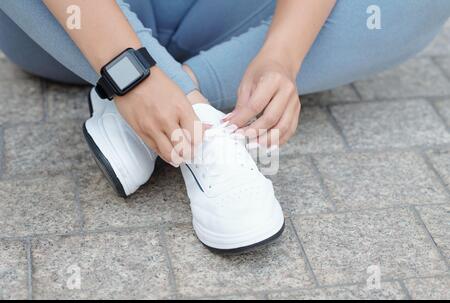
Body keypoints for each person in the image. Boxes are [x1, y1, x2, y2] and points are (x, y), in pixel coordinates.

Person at [1, 0, 449, 253]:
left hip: (230, 18)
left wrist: (282, 55)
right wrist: (128, 73)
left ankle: (174, 98)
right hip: (71, 24)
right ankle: (183, 110)